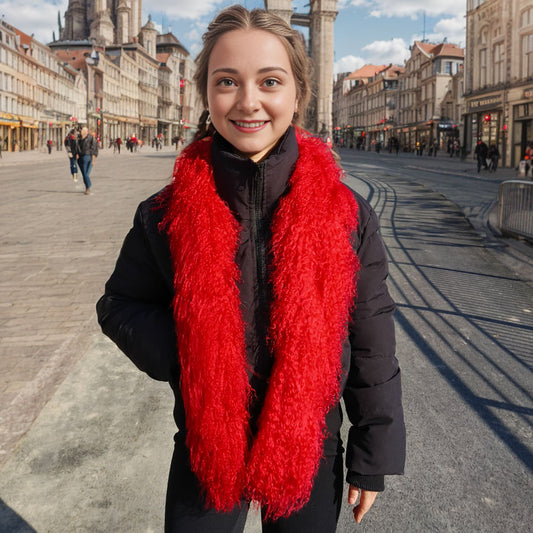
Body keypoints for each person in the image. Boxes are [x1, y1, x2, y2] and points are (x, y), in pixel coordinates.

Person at [96, 6, 405, 532]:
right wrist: (192, 353)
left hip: (311, 445)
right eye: (226, 81)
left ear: (297, 93)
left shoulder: (347, 216)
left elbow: (372, 337)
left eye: (270, 81)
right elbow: (118, 305)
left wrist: (373, 453)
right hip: (205, 442)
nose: (248, 101)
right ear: (206, 94)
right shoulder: (164, 214)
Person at [76, 126, 98, 194]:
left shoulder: (91, 139)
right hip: (80, 158)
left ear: (86, 132)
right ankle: (87, 187)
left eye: (83, 130)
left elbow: (94, 149)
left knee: (86, 174)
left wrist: (93, 160)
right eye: (81, 130)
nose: (81, 132)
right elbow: (76, 148)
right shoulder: (78, 139)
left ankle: (88, 187)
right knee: (84, 174)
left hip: (88, 157)